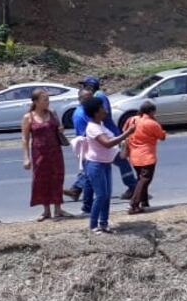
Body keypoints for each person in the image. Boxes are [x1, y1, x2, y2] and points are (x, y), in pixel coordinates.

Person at [79, 96, 134, 234]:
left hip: (105, 163)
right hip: (95, 165)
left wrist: (124, 143)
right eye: (102, 108)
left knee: (107, 195)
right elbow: (107, 143)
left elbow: (112, 142)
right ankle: (93, 225)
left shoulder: (101, 125)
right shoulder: (93, 128)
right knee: (101, 195)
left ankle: (103, 223)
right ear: (96, 112)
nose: (105, 110)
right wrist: (127, 133)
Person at [81, 76, 138, 200]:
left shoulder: (99, 96)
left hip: (107, 134)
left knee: (119, 161)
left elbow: (104, 114)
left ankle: (133, 186)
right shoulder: (95, 97)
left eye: (85, 86)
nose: (83, 88)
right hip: (102, 134)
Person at [20, 88, 68, 221]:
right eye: (44, 99)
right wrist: (26, 158)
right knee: (41, 180)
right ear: (36, 101)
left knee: (57, 178)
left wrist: (61, 129)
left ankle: (58, 209)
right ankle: (46, 210)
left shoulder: (52, 113)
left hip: (55, 152)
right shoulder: (28, 117)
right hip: (39, 153)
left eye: (48, 99)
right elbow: (25, 139)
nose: (47, 102)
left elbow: (59, 128)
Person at [126, 101, 166, 214]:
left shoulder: (132, 120)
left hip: (134, 156)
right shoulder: (151, 123)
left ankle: (144, 202)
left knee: (141, 180)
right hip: (147, 156)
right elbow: (162, 136)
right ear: (152, 111)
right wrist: (157, 122)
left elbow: (125, 131)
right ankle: (134, 204)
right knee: (144, 180)